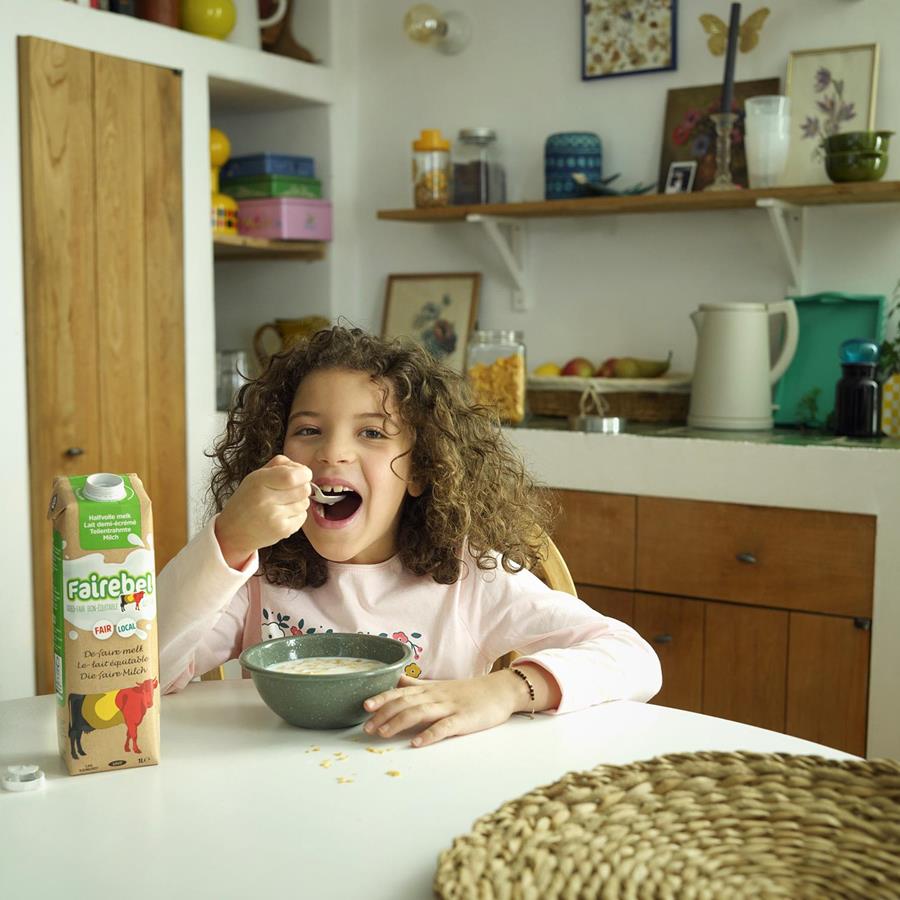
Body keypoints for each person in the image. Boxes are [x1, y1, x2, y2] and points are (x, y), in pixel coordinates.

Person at [158, 326, 661, 747]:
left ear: (420, 470)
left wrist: (501, 692)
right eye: (308, 430)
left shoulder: (467, 577)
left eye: (372, 433)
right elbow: (141, 668)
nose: (333, 454)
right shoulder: (257, 574)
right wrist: (229, 538)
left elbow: (633, 657)